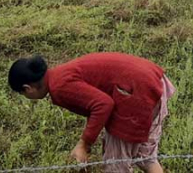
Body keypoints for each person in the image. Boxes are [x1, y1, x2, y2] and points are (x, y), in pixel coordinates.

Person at [9, 53, 175, 173]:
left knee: (115, 164)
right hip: (152, 81)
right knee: (145, 156)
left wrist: (84, 144)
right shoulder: (59, 74)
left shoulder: (59, 86)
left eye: (23, 94)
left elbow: (103, 105)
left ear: (27, 88)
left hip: (136, 92)